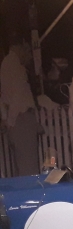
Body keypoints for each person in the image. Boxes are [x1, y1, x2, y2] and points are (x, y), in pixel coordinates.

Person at [0, 37, 39, 176]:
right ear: (21, 45)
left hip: (18, 121)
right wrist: (11, 122)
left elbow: (4, 97)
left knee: (23, 166)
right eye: (27, 49)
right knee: (28, 168)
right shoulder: (13, 65)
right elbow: (17, 96)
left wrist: (7, 120)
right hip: (21, 120)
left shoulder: (8, 63)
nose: (28, 55)